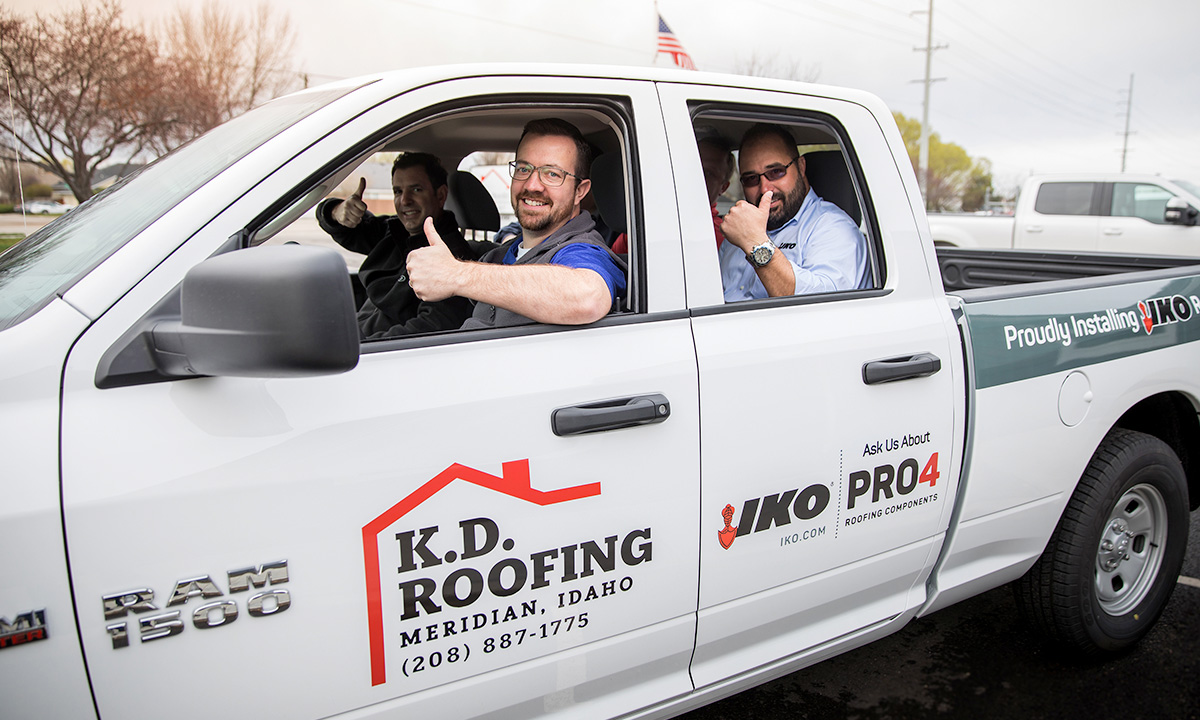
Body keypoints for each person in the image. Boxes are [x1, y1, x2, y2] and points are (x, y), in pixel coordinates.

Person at [407, 118, 626, 329]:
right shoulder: (498, 256)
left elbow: (588, 297)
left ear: (580, 191)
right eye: (523, 169)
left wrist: (456, 275)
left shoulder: (583, 250)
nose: (532, 185)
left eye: (552, 174)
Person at [315, 152, 478, 338]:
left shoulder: (453, 257)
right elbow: (344, 226)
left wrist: (364, 345)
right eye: (398, 191)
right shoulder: (393, 231)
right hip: (353, 333)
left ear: (440, 196)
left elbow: (433, 326)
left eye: (416, 190)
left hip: (375, 353)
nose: (405, 201)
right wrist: (337, 211)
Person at [719, 123, 869, 300]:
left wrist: (756, 244)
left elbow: (820, 307)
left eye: (776, 172)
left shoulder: (833, 228)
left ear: (801, 167)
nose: (765, 189)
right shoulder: (737, 233)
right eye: (751, 179)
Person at [612, 130, 731, 255]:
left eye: (708, 173)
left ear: (723, 188)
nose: (696, 176)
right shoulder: (644, 224)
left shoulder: (724, 241)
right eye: (692, 167)